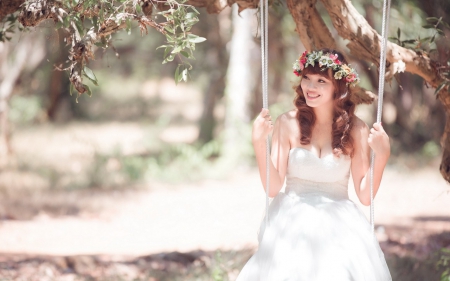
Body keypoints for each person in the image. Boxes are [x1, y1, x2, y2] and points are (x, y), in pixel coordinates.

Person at [236, 48, 392, 280]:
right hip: (293, 215)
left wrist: (382, 156)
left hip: (339, 220)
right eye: (307, 79)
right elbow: (272, 187)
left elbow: (365, 195)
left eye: (321, 81)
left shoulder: (356, 129)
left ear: (338, 87)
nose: (310, 87)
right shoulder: (287, 123)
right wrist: (259, 142)